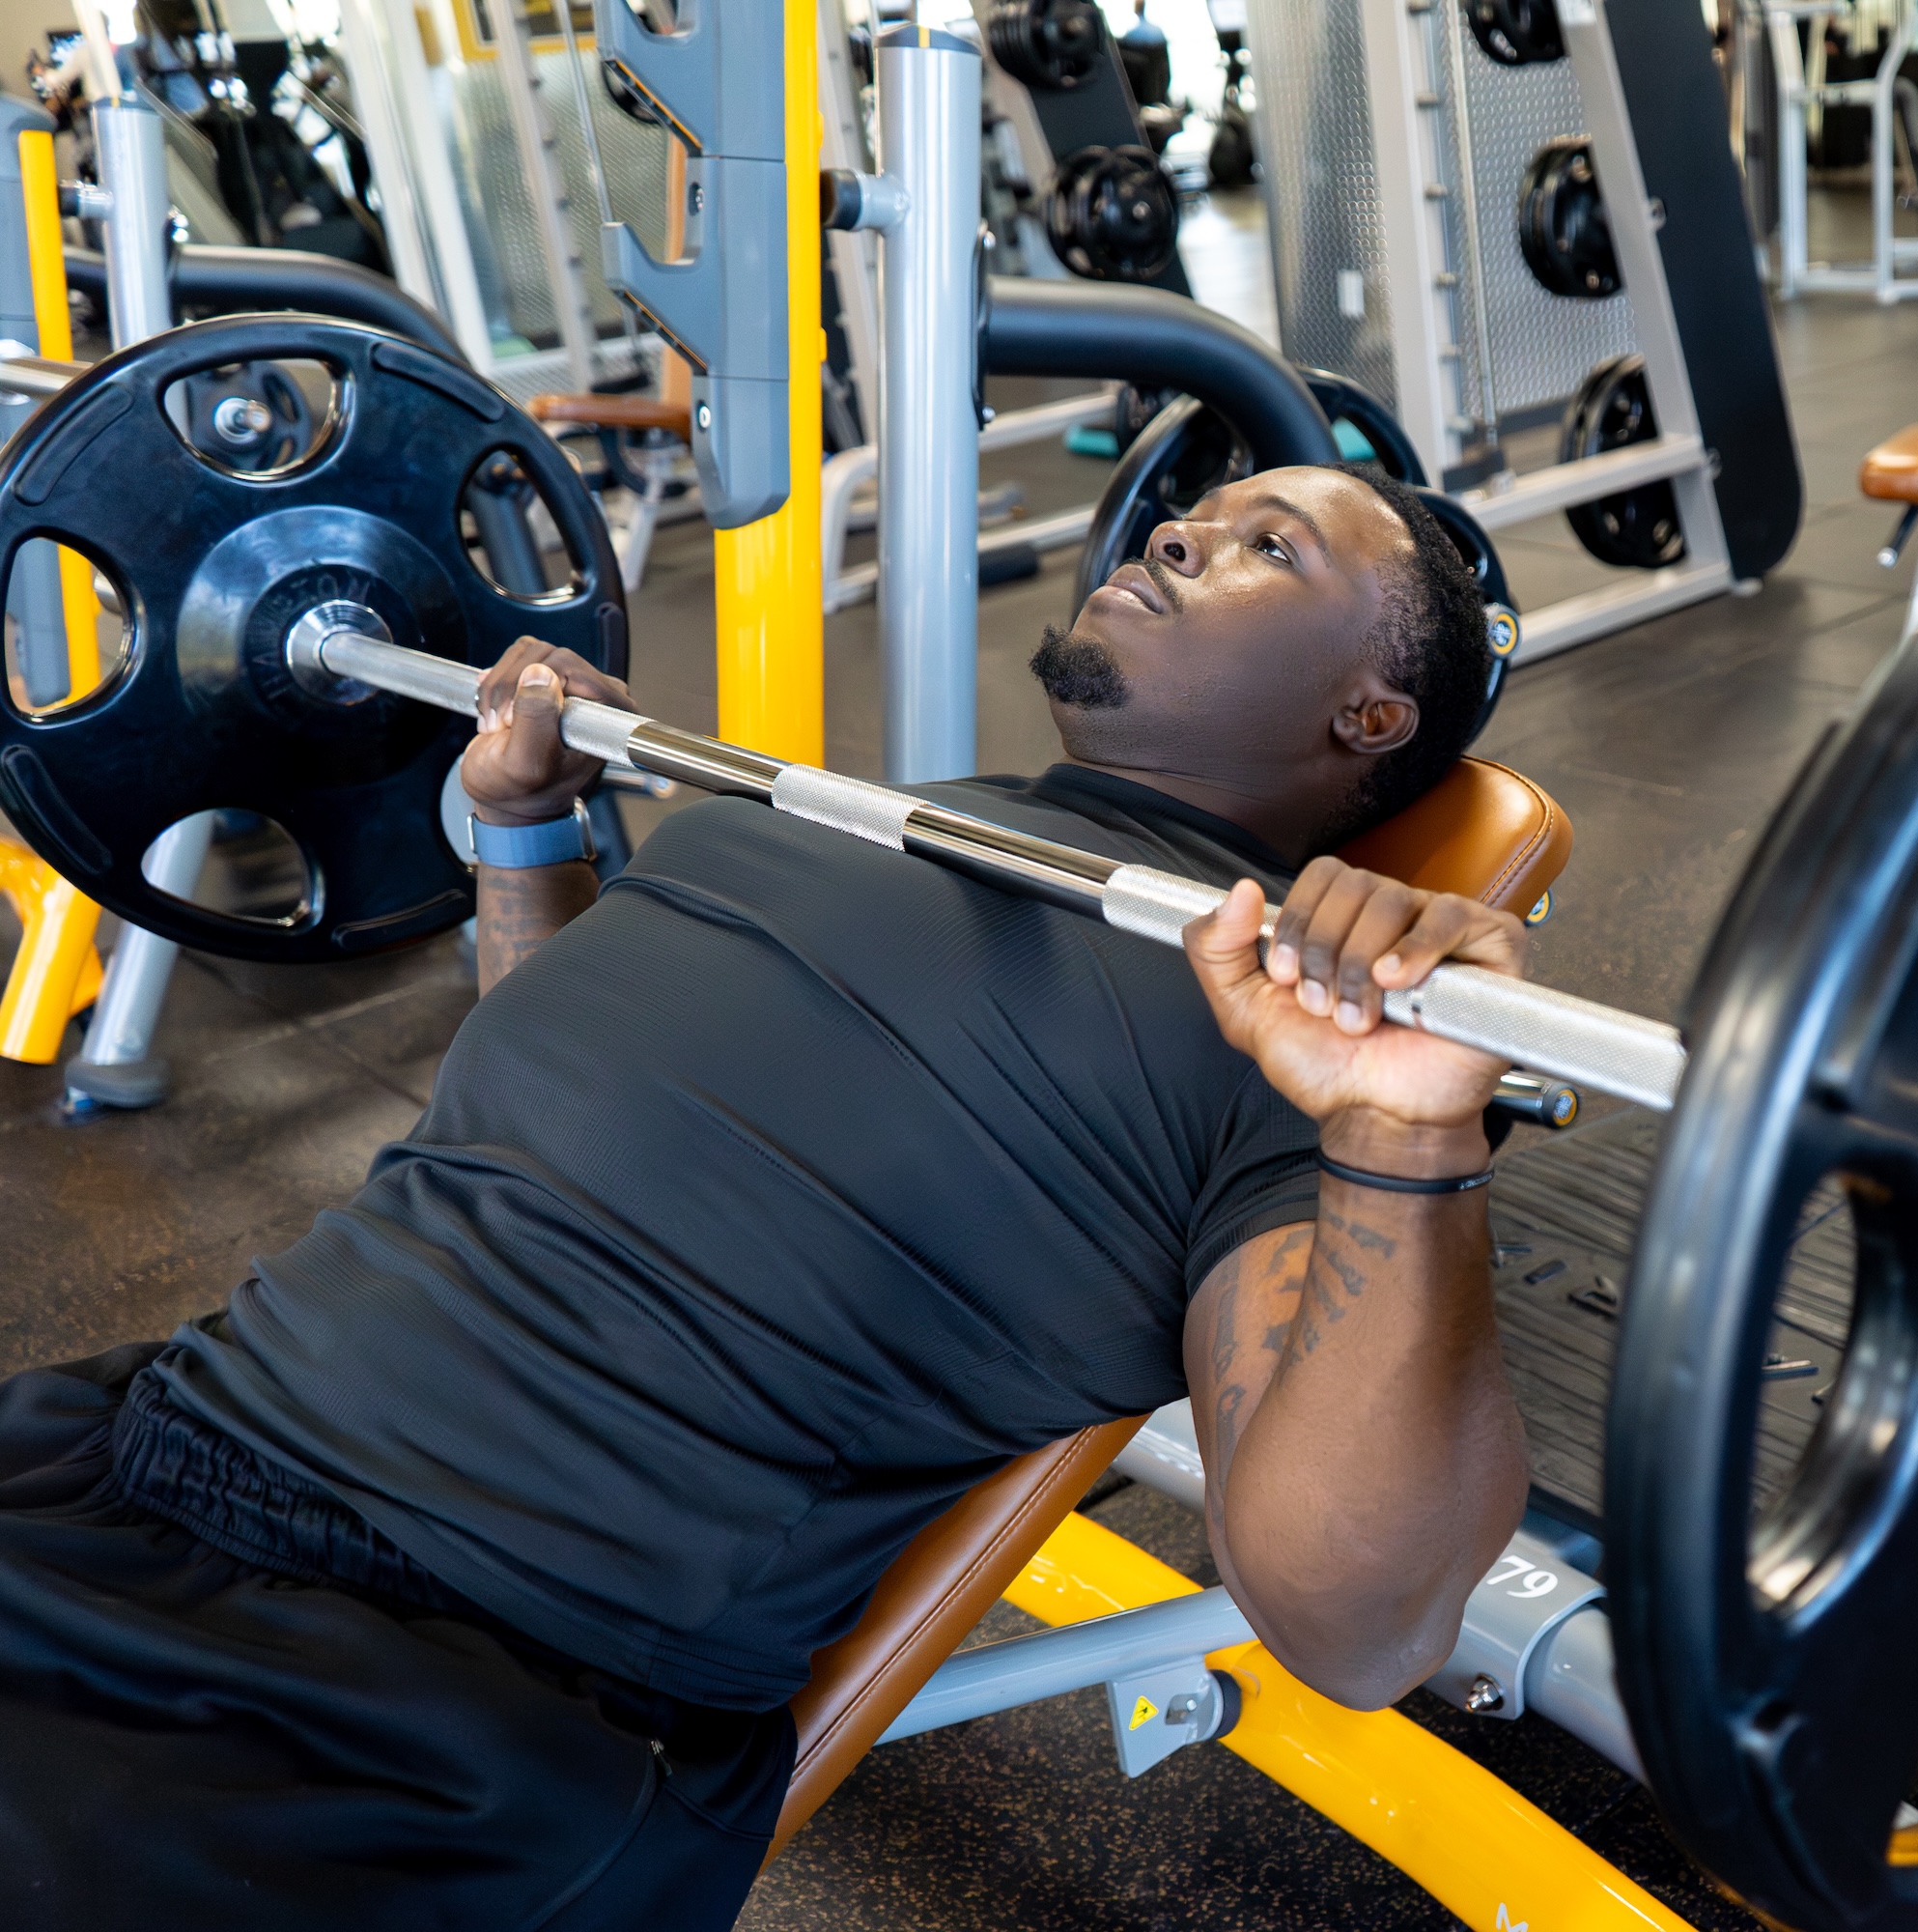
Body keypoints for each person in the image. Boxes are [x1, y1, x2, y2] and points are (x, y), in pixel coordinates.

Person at [0, 464, 1534, 1928]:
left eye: (1270, 547)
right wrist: (526, 830)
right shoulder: (829, 810)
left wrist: (1401, 1136)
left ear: (1368, 714)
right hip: (140, 1445)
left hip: (432, 1697)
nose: (1181, 536)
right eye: (1194, 517)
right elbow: (563, 1099)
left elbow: (1362, 1627)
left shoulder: (1274, 1049)